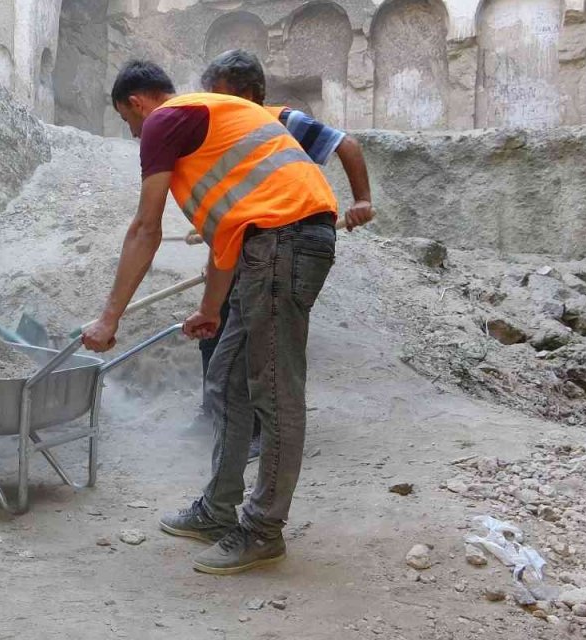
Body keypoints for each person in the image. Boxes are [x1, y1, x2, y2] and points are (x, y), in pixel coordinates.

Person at [81, 59, 353, 575]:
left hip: (286, 241)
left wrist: (108, 318)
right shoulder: (209, 132)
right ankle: (217, 509)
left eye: (127, 120)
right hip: (269, 243)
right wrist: (210, 310)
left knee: (274, 392)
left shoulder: (166, 120)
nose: (134, 133)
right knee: (226, 379)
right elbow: (228, 236)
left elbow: (145, 228)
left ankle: (262, 529)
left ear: (139, 103)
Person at [193, 50, 374, 460]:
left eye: (219, 93)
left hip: (281, 240)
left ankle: (259, 431)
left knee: (262, 340)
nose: (213, 102)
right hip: (246, 243)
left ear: (248, 92)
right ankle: (215, 413)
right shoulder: (225, 132)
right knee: (214, 328)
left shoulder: (281, 120)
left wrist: (362, 200)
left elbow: (347, 145)